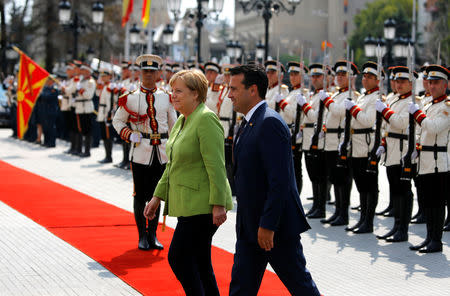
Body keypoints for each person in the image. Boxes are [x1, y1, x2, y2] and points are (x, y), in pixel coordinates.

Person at [227, 64, 320, 296]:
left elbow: (280, 181)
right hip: (250, 226)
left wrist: (268, 226)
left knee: (300, 286)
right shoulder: (249, 121)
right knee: (240, 287)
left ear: (253, 90)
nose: (229, 94)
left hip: (274, 229)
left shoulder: (269, 122)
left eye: (234, 89)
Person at [144, 69, 233, 296]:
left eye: (179, 91)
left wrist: (219, 204)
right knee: (200, 262)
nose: (173, 95)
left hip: (203, 205)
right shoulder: (182, 120)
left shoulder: (205, 118)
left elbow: (216, 165)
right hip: (187, 202)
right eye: (172, 90)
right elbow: (172, 165)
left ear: (196, 94)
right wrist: (157, 198)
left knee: (179, 257)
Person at [113, 54, 177, 251]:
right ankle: (142, 235)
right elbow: (118, 121)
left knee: (156, 194)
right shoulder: (130, 98)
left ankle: (153, 234)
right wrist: (128, 134)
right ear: (140, 73)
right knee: (140, 195)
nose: (149, 75)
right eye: (145, 71)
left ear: (158, 73)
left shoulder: (166, 97)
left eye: (152, 71)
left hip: (162, 151)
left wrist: (176, 146)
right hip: (141, 152)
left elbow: (174, 124)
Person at [408, 64, 449, 253]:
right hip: (424, 160)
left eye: (436, 83)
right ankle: (429, 237)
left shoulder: (447, 107)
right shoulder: (428, 104)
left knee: (437, 202)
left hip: (438, 162)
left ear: (445, 84)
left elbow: (433, 127)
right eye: (430, 82)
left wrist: (416, 113)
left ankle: (436, 240)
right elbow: (421, 131)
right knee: (427, 201)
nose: (432, 86)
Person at [374, 66, 417, 242]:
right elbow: (387, 127)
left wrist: (384, 110)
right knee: (395, 191)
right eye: (397, 81)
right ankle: (396, 225)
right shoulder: (395, 100)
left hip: (403, 150)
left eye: (403, 82)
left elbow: (399, 123)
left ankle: (403, 229)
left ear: (411, 84)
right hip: (391, 150)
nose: (398, 85)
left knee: (404, 191)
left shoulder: (413, 103)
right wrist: (383, 144)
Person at [320, 60, 359, 226]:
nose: (340, 78)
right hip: (329, 141)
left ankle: (344, 213)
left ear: (351, 78)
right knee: (334, 177)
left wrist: (327, 101)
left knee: (343, 178)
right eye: (338, 75)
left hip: (340, 141)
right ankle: (337, 211)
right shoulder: (336, 94)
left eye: (344, 75)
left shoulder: (352, 95)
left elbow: (338, 111)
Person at [343, 61, 381, 234]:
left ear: (377, 80)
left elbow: (367, 120)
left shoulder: (376, 97)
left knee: (369, 184)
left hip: (367, 145)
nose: (365, 80)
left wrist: (354, 109)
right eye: (364, 76)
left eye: (370, 77)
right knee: (360, 184)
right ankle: (363, 219)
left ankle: (369, 221)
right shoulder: (364, 96)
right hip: (356, 144)